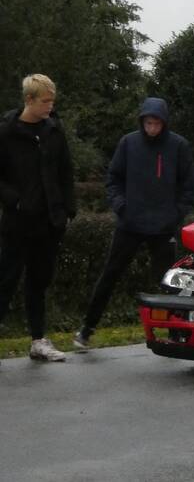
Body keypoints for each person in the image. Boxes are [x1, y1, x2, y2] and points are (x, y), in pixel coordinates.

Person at [73, 97, 194, 349]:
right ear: (142, 121)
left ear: (164, 123)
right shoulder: (128, 143)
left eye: (156, 124)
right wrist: (121, 206)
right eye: (148, 123)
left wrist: (175, 214)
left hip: (163, 227)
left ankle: (177, 333)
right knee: (110, 274)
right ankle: (87, 329)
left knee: (170, 281)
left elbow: (190, 187)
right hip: (130, 223)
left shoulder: (178, 146)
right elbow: (113, 179)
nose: (152, 128)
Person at [0, 74, 76, 363]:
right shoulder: (6, 132)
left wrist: (68, 209)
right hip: (17, 222)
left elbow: (65, 171)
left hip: (49, 221)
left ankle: (38, 340)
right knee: (6, 280)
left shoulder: (54, 130)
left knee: (39, 282)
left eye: (52, 101)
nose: (50, 106)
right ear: (29, 100)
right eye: (45, 101)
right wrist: (14, 200)